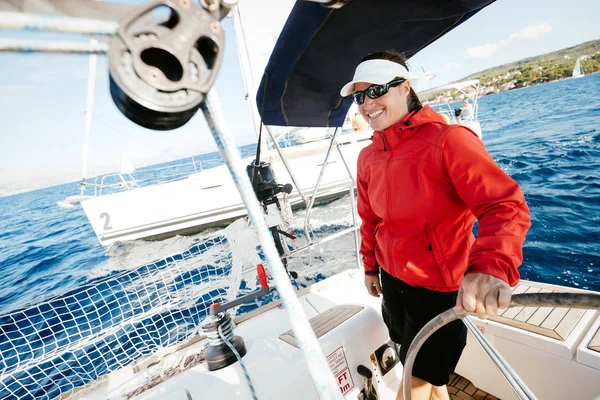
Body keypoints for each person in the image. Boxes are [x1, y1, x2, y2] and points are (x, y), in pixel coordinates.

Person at [340, 51, 531, 400]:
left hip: (438, 289)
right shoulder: (368, 157)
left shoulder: (449, 140)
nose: (367, 104)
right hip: (392, 282)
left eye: (377, 90)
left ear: (404, 87)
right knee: (424, 371)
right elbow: (369, 218)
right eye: (359, 96)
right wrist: (370, 267)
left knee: (415, 379)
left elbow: (504, 205)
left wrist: (490, 266)